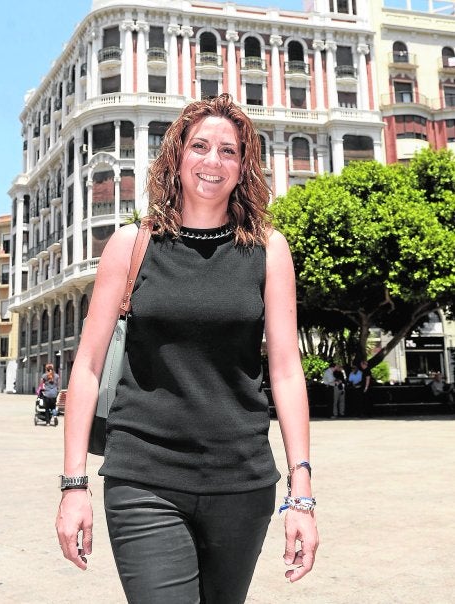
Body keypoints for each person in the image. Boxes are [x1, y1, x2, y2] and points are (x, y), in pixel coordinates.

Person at [55, 93, 319, 603]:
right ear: (177, 155)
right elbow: (86, 368)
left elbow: (286, 372)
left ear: (244, 168)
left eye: (229, 150)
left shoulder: (268, 250)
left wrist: (301, 494)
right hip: (143, 477)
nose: (212, 161)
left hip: (242, 484)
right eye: (199, 146)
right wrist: (73, 484)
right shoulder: (131, 246)